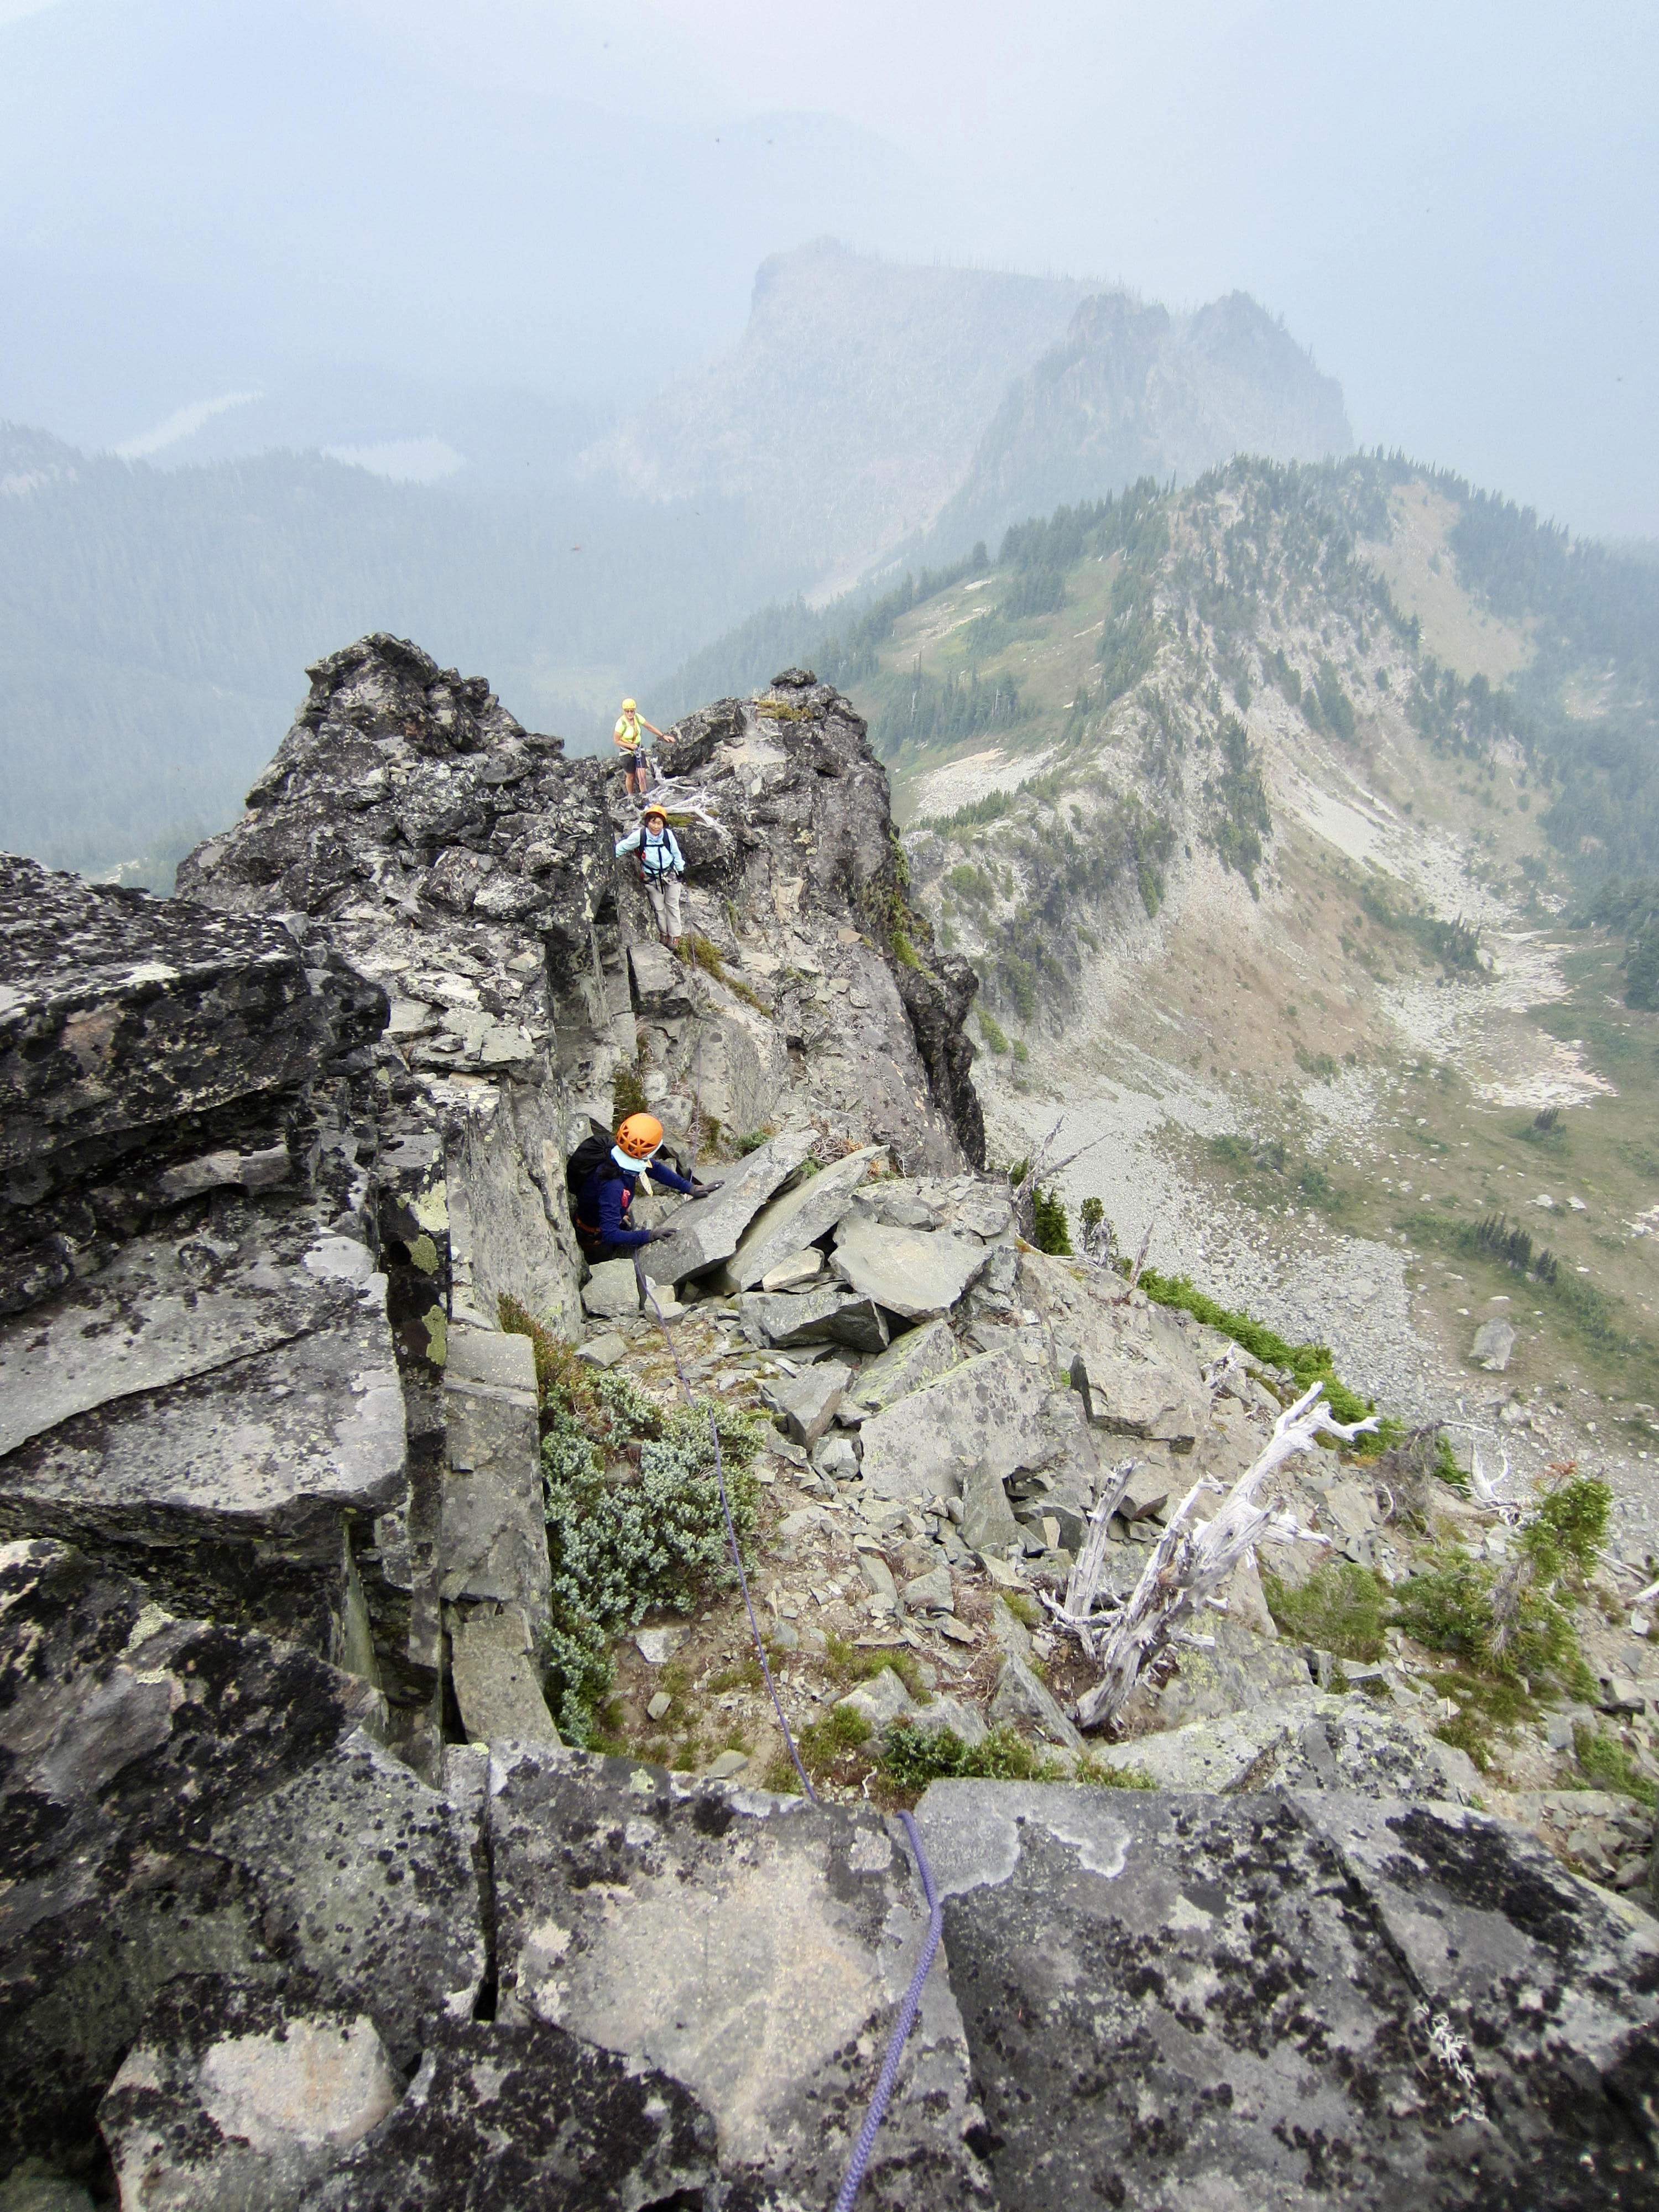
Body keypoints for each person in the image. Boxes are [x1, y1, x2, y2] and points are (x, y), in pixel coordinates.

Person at [570, 1113, 712, 1265]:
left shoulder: (618, 1152)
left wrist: (690, 1188)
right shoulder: (613, 1186)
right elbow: (610, 1234)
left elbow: (655, 1169)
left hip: (599, 1221)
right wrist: (649, 1235)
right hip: (595, 1239)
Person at [615, 805, 687, 948]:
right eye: (653, 822)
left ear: (663, 824)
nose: (656, 826)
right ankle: (664, 933)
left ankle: (674, 936)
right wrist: (607, 858)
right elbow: (622, 847)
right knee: (659, 908)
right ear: (647, 822)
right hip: (651, 878)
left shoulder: (668, 835)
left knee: (672, 905)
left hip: (670, 874)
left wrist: (681, 870)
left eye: (659, 823)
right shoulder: (640, 836)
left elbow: (676, 854)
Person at [613, 697, 674, 796]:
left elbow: (649, 727)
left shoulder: (637, 718)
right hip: (626, 752)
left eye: (632, 711)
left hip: (638, 749)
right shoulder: (621, 723)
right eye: (628, 711)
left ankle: (644, 796)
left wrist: (663, 736)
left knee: (642, 775)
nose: (630, 714)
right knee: (631, 776)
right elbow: (617, 740)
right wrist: (629, 746)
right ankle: (631, 796)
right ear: (624, 711)